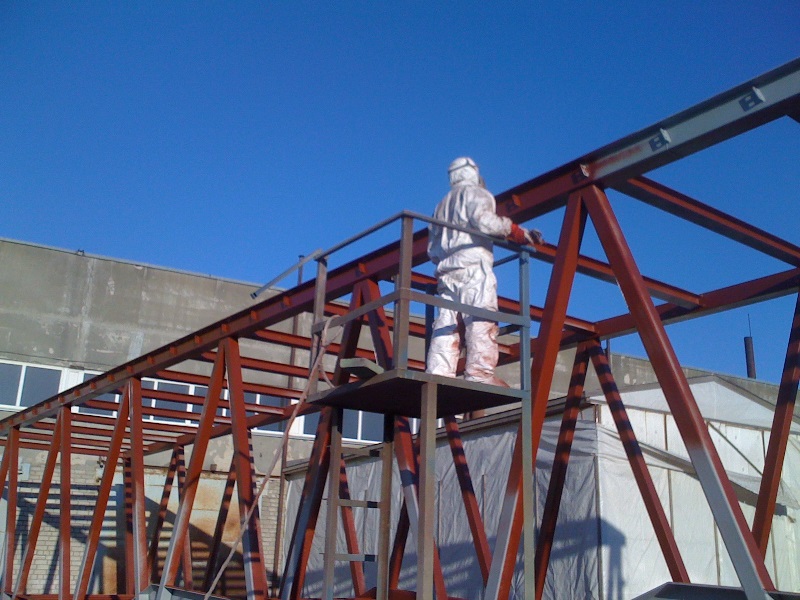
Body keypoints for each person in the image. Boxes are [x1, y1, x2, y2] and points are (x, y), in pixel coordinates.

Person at [426, 157, 542, 386]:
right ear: (473, 172)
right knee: (480, 318)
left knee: (447, 323)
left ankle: (437, 374)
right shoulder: (476, 194)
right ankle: (479, 375)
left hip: (446, 271)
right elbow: (485, 222)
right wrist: (516, 231)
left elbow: (432, 249)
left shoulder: (440, 206)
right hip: (473, 266)